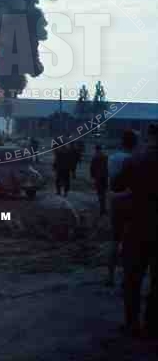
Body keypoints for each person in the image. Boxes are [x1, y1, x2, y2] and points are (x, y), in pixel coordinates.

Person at [111, 123, 158, 338]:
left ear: (149, 137)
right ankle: (152, 324)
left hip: (138, 224)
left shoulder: (137, 160)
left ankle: (132, 324)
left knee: (133, 278)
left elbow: (117, 186)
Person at [107, 129, 138, 287]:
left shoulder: (112, 158)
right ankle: (126, 278)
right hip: (131, 201)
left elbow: (111, 180)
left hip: (115, 200)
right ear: (135, 143)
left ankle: (110, 276)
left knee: (114, 240)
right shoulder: (134, 159)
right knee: (130, 242)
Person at [90, 144, 109, 216]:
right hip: (104, 176)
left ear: (96, 149)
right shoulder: (105, 156)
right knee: (104, 192)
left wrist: (92, 177)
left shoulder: (95, 157)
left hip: (98, 177)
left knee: (100, 193)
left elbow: (92, 168)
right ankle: (103, 207)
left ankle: (102, 208)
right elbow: (107, 166)